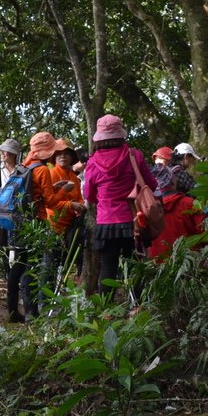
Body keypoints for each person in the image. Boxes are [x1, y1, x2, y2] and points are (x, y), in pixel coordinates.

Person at [82, 114, 159, 298]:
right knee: (135, 266)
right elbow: (152, 184)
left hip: (106, 223)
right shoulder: (134, 156)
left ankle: (106, 311)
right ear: (120, 134)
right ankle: (138, 309)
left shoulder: (92, 162)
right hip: (133, 221)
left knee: (108, 267)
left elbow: (89, 196)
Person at [5, 131, 59, 323]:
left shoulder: (24, 166)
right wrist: (70, 203)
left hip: (16, 222)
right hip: (34, 223)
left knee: (17, 266)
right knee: (31, 267)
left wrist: (55, 188)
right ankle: (31, 311)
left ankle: (12, 311)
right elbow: (50, 201)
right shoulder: (42, 170)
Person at [44, 139, 86, 290]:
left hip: (70, 226)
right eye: (59, 154)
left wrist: (80, 205)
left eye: (66, 154)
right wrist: (70, 205)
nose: (62, 157)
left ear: (71, 157)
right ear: (54, 157)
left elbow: (79, 198)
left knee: (68, 259)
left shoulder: (73, 177)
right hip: (53, 226)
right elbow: (50, 203)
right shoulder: (50, 174)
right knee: (51, 264)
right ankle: (46, 300)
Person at [146, 165, 205, 260]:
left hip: (159, 267)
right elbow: (204, 233)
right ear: (172, 181)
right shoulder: (189, 204)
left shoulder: (148, 210)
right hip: (191, 263)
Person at [0, 138, 22, 288]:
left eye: (5, 151)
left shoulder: (21, 171)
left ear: (13, 154)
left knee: (13, 246)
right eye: (1, 150)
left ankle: (12, 278)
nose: (2, 153)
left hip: (15, 213)